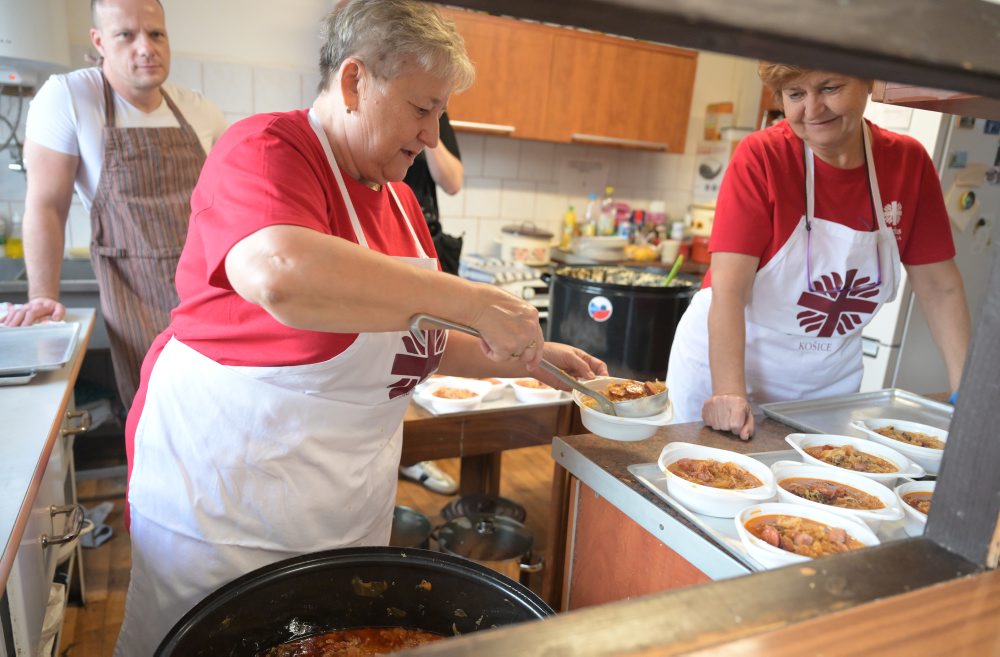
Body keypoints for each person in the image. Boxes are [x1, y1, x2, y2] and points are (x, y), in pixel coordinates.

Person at [114, 1, 607, 652]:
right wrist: (471, 298)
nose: (433, 136)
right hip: (224, 513)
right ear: (354, 82)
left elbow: (412, 345)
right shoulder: (267, 149)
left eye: (441, 114)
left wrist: (535, 358)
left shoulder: (400, 201)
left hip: (342, 512)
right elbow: (282, 273)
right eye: (422, 108)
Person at [667, 63, 970, 439]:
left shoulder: (908, 163)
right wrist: (728, 391)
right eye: (796, 95)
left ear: (868, 82)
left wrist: (968, 396)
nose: (812, 110)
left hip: (826, 383)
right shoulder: (763, 156)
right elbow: (729, 290)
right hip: (731, 366)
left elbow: (941, 289)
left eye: (830, 88)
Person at [1, 0, 227, 411]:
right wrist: (42, 296)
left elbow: (226, 206)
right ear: (99, 41)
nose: (146, 47)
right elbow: (47, 205)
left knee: (219, 407)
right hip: (132, 296)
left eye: (156, 33)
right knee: (155, 412)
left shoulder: (199, 110)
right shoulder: (69, 98)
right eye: (127, 35)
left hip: (204, 294)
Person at [398, 111, 465, 494]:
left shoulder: (436, 122)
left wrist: (429, 123)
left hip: (422, 238)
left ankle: (413, 455)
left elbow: (452, 182)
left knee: (421, 350)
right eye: (420, 106)